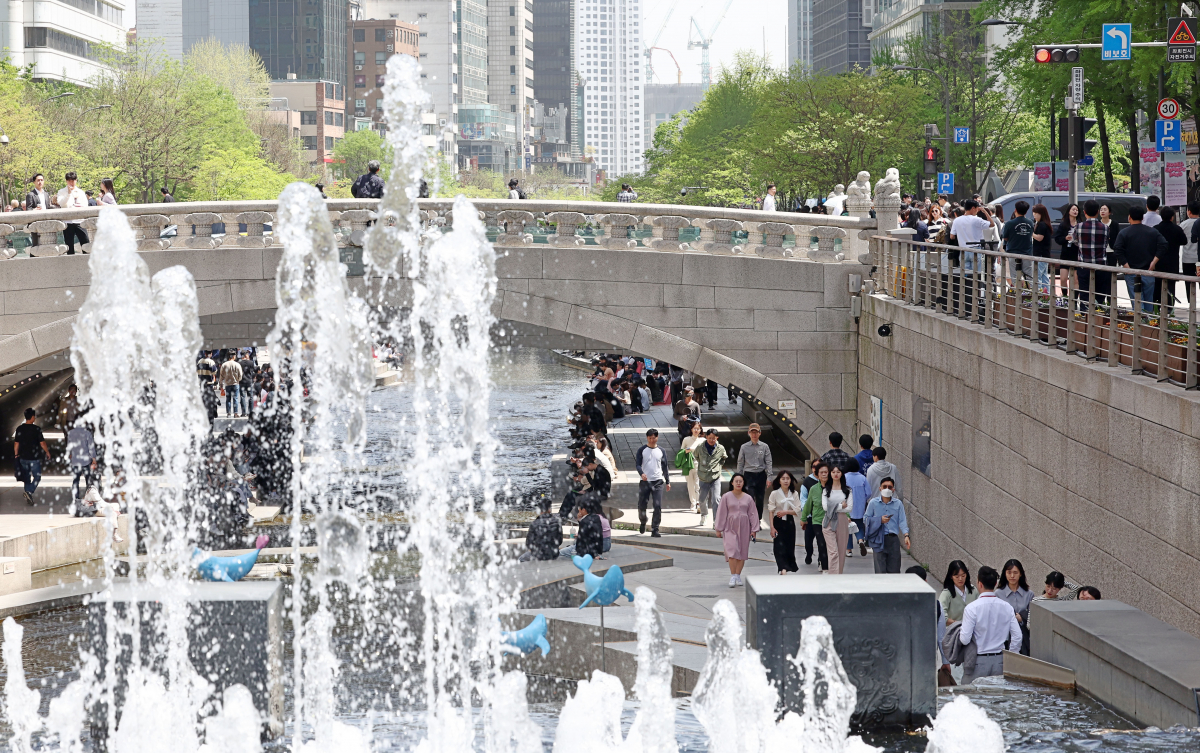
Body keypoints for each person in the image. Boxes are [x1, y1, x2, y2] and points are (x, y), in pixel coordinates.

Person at [958, 566, 1022, 684]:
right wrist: (1010, 657)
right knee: (997, 700)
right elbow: (1017, 636)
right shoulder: (1007, 607)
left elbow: (965, 639)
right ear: (996, 583)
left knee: (972, 698)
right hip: (1000, 661)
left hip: (977, 661)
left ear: (979, 584)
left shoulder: (971, 608)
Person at [1114, 205, 1167, 314]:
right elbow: (1164, 245)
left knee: (1136, 302)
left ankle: (1139, 325)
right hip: (1148, 270)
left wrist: (1126, 265)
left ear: (1129, 217)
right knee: (1148, 301)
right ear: (1142, 218)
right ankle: (1148, 326)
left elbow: (1117, 249)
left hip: (1131, 271)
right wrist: (1154, 262)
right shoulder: (1152, 232)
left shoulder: (1124, 233)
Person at [715, 473, 759, 587]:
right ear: (732, 483)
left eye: (741, 481)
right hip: (730, 526)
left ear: (743, 483)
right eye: (736, 481)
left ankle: (738, 575)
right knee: (732, 550)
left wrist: (754, 529)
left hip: (745, 526)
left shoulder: (748, 498)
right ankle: (733, 575)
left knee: (742, 551)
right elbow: (721, 513)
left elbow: (753, 514)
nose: (738, 483)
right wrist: (719, 528)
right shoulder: (726, 496)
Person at [863, 476, 908, 572]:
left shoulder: (898, 504)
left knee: (895, 569)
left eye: (890, 487)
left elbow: (902, 520)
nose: (887, 489)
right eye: (884, 486)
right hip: (879, 539)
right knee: (880, 570)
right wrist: (879, 520)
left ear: (893, 489)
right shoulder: (873, 503)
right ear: (880, 488)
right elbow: (866, 519)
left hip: (893, 539)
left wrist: (906, 535)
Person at [1074, 200, 1111, 309]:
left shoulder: (1079, 227)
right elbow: (1106, 243)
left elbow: (1076, 242)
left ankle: (1085, 318)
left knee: (1084, 295)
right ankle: (1098, 317)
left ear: (1084, 212)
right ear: (1098, 212)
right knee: (1100, 295)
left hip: (1084, 265)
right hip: (1101, 266)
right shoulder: (1105, 228)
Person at [635, 428, 671, 537]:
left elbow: (665, 466)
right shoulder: (642, 450)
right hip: (645, 482)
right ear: (647, 438)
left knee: (657, 505)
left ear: (657, 437)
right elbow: (637, 464)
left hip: (658, 481)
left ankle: (655, 529)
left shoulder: (661, 451)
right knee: (642, 504)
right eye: (650, 438)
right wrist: (641, 473)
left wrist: (667, 481)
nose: (652, 440)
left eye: (654, 438)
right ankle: (643, 520)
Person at [1151, 206, 1187, 312]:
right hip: (1172, 262)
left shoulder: (1155, 229)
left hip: (1158, 262)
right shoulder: (1177, 229)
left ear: (1161, 216)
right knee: (1170, 287)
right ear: (1172, 217)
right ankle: (1169, 309)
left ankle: (1156, 309)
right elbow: (1184, 241)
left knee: (1157, 286)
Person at [14, 408, 52, 505]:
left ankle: (28, 495)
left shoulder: (19, 429)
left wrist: (16, 454)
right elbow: (42, 443)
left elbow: (16, 443)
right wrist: (47, 452)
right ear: (32, 417)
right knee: (37, 477)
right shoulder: (37, 429)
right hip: (34, 458)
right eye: (34, 416)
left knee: (27, 478)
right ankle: (29, 492)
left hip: (23, 457)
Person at [767, 470, 803, 574]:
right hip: (778, 522)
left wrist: (786, 512)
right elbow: (771, 511)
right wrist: (772, 527)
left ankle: (788, 566)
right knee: (778, 546)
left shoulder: (794, 493)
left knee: (789, 545)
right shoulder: (774, 494)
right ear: (779, 481)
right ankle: (782, 567)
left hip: (789, 522)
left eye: (787, 478)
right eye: (783, 479)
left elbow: (797, 510)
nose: (786, 481)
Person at [736, 423, 772, 522]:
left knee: (760, 500)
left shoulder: (765, 447)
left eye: (756, 432)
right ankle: (750, 519)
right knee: (750, 499)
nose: (754, 434)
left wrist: (769, 477)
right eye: (752, 432)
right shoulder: (744, 447)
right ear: (749, 433)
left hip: (761, 475)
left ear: (760, 433)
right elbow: (740, 462)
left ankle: (758, 519)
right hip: (748, 475)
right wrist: (739, 477)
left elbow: (768, 462)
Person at [821, 464, 852, 574]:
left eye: (838, 472)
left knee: (841, 551)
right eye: (833, 472)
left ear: (842, 474)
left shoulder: (847, 490)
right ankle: (833, 577)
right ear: (830, 473)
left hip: (842, 521)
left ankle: (838, 575)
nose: (835, 474)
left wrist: (834, 506)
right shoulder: (826, 490)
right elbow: (825, 507)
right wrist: (840, 506)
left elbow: (849, 508)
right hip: (828, 521)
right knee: (833, 552)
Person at [998, 558, 1033, 656]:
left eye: (1015, 572)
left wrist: (1022, 618)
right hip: (1004, 638)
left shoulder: (1029, 594)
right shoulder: (998, 594)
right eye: (1009, 572)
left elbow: (1033, 616)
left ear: (1021, 574)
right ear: (1005, 574)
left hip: (1024, 639)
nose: (1012, 576)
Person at [693, 428, 726, 525]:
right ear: (706, 437)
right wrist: (703, 466)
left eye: (714, 438)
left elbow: (724, 458)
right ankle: (704, 515)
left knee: (716, 499)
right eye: (709, 438)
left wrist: (718, 466)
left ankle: (716, 521)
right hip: (703, 478)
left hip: (715, 477)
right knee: (702, 499)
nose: (711, 440)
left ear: (717, 438)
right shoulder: (700, 447)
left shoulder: (721, 448)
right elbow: (696, 456)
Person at [800, 461, 828, 569]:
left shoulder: (833, 487)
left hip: (828, 520)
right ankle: (809, 554)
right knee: (809, 541)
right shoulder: (809, 484)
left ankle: (822, 563)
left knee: (823, 543)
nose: (824, 474)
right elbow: (806, 502)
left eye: (826, 472)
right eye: (821, 471)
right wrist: (804, 517)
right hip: (813, 518)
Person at [1001, 199, 1035, 288]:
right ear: (1026, 211)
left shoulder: (1009, 223)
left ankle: (1017, 295)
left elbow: (1005, 237)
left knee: (1015, 276)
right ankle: (1031, 296)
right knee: (1029, 276)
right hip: (1027, 252)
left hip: (1013, 251)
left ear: (1015, 210)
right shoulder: (1030, 222)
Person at [55, 171, 90, 254]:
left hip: (79, 221)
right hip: (68, 221)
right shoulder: (61, 191)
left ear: (76, 180)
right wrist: (68, 194)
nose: (72, 182)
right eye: (69, 180)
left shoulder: (81, 192)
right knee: (69, 245)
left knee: (85, 243)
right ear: (66, 181)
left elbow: (85, 205)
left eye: (73, 180)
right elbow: (61, 203)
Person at [843, 457, 871, 557]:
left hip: (847, 508)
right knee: (859, 527)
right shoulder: (862, 478)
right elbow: (868, 493)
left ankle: (849, 550)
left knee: (847, 529)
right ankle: (860, 540)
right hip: (859, 508)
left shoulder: (844, 477)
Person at [1053, 203, 1081, 299]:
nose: (1075, 211)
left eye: (1076, 210)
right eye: (1073, 209)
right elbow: (1057, 239)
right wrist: (1065, 238)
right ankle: (1065, 298)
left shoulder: (1080, 224)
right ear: (1068, 211)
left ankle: (1074, 299)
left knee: (1076, 280)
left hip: (1077, 253)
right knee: (1063, 278)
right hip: (1065, 253)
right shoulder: (1063, 224)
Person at [681, 421, 705, 514]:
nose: (696, 430)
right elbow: (682, 451)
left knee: (698, 485)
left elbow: (704, 452)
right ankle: (693, 503)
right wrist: (688, 450)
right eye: (694, 428)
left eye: (698, 428)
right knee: (690, 485)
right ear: (691, 429)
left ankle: (699, 503)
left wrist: (692, 449)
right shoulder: (686, 439)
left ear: (700, 430)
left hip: (699, 464)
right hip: (688, 464)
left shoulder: (703, 440)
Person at [1030, 204, 1054, 295]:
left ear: (1041, 214)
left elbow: (1039, 238)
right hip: (1044, 254)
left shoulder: (1042, 225)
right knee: (1044, 277)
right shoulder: (1044, 224)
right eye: (1034, 213)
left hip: (1040, 254)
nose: (1034, 215)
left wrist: (1031, 233)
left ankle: (1039, 296)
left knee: (1037, 276)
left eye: (1036, 213)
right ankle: (1046, 296)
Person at [1180, 201, 1199, 306]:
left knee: (1189, 282)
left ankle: (1191, 303)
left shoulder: (1183, 224)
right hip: (1198, 259)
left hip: (1187, 259)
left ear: (1189, 212)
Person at [218, 352, 244, 418]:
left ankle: (229, 413)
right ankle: (235, 413)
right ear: (234, 357)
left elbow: (221, 375)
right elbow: (240, 375)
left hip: (227, 384)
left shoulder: (224, 365)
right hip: (235, 384)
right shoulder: (237, 364)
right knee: (235, 398)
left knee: (228, 399)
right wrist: (238, 380)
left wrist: (221, 384)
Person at [238, 350, 256, 416]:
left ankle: (243, 412)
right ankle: (250, 412)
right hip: (249, 381)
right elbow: (252, 371)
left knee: (242, 396)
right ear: (246, 355)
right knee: (250, 397)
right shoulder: (251, 362)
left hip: (242, 381)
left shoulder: (239, 363)